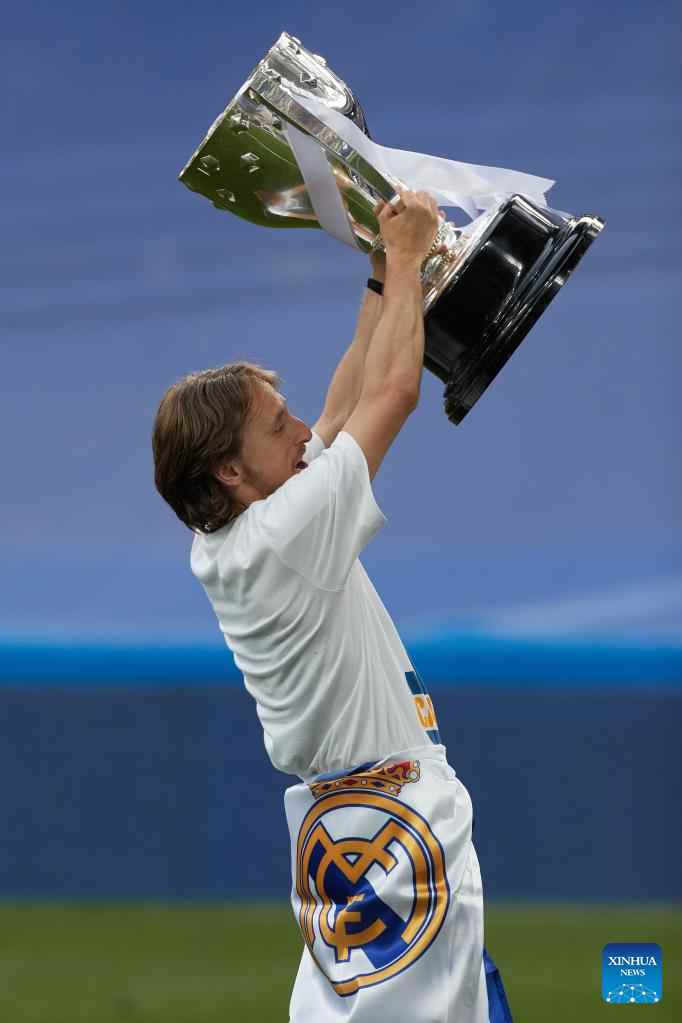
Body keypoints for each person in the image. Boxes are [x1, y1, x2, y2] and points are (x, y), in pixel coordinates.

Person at [152, 190, 512, 1022]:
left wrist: (382, 268)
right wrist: (413, 258)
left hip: (349, 825)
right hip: (391, 823)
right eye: (279, 425)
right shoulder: (287, 533)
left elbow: (348, 392)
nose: (302, 429)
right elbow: (391, 395)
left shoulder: (242, 529)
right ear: (231, 473)